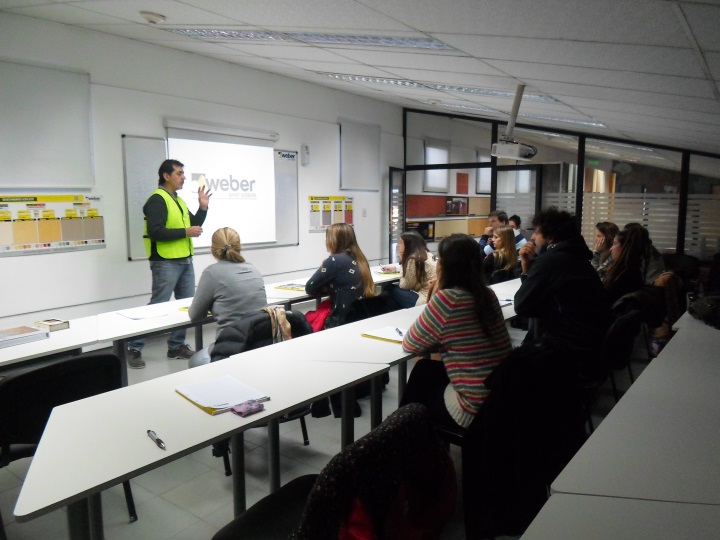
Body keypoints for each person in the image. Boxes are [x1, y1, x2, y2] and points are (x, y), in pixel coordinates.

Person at [400, 233, 513, 430]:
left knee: (417, 391)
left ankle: (406, 436)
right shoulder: (487, 294)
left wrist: (435, 294)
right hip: (500, 396)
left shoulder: (449, 299)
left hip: (472, 407)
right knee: (424, 369)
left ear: (446, 266)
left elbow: (411, 343)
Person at [127, 159, 211, 369]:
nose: (183, 177)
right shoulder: (157, 200)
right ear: (166, 176)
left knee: (186, 305)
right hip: (165, 262)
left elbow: (194, 225)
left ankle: (176, 347)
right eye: (179, 173)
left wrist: (202, 208)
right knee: (158, 305)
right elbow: (156, 232)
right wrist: (185, 232)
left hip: (184, 260)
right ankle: (133, 347)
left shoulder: (179, 201)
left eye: (183, 173)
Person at [515, 207, 611, 380]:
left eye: (536, 232)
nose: (533, 238)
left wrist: (530, 268)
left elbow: (522, 305)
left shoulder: (551, 261)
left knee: (512, 366)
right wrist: (528, 268)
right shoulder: (577, 256)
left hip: (570, 350)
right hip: (591, 343)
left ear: (550, 236)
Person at [189, 227, 267, 331]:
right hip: (260, 342)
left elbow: (195, 316)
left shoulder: (211, 273)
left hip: (230, 344)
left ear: (213, 250)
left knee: (202, 349)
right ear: (239, 247)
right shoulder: (253, 269)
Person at [305, 223, 375, 329]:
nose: (325, 242)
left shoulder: (334, 261)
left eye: (327, 238)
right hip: (362, 317)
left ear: (335, 241)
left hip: (340, 322)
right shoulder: (361, 259)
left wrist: (326, 284)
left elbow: (310, 287)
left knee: (300, 319)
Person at [382, 231, 437, 308]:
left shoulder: (413, 259)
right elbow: (413, 271)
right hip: (433, 298)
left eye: (401, 242)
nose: (398, 245)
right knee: (393, 300)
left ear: (408, 245)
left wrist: (403, 260)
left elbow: (404, 285)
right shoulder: (426, 254)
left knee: (388, 287)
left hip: (423, 300)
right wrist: (397, 268)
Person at [601, 227, 645, 306]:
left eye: (614, 244)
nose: (611, 248)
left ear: (624, 247)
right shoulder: (632, 271)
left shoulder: (626, 275)